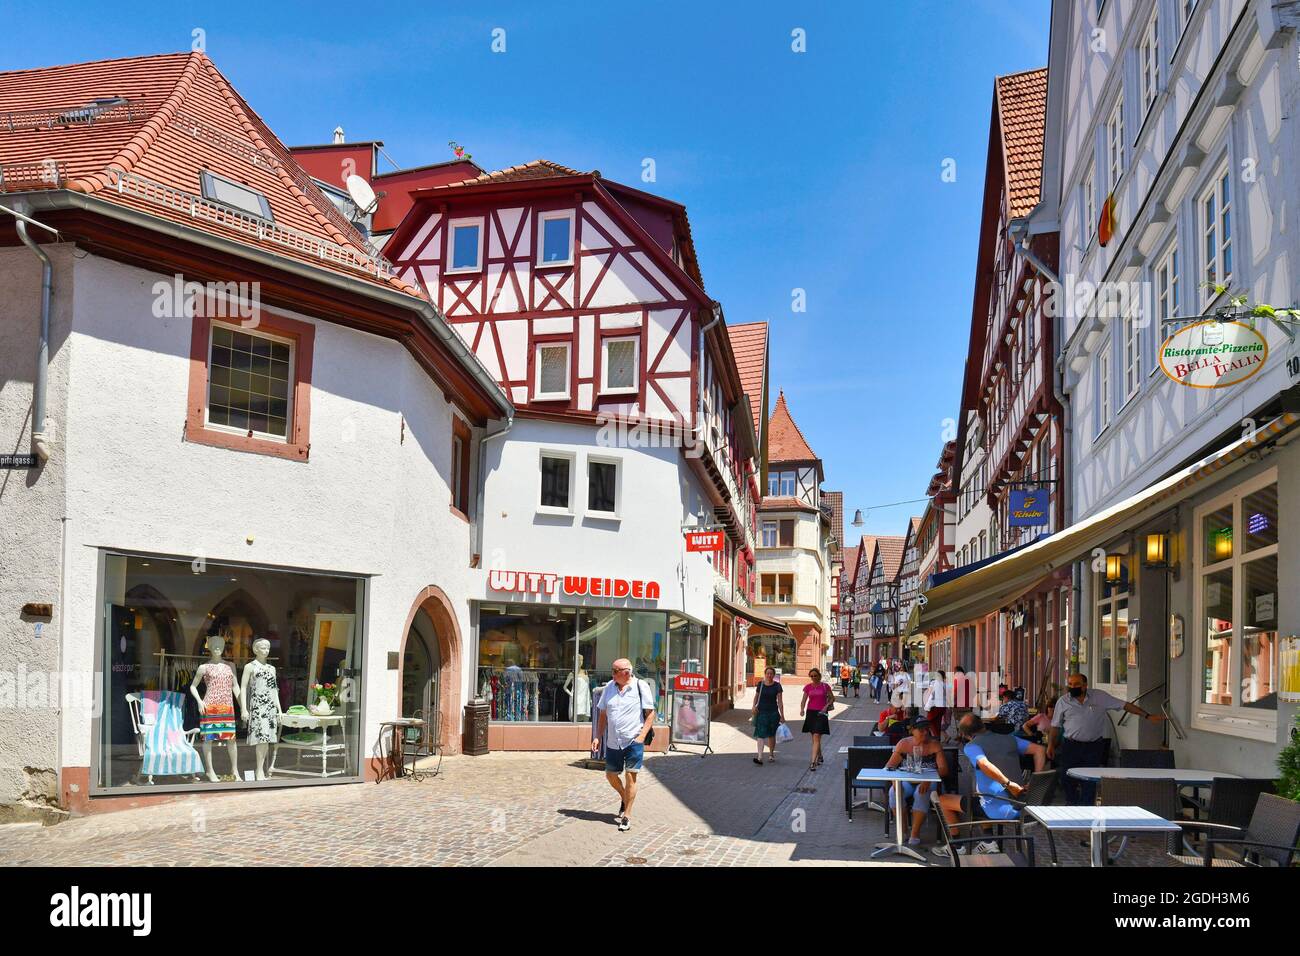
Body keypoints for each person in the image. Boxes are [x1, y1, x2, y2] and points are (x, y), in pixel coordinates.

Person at [930, 713, 1046, 859]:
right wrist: (1034, 782)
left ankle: (957, 846)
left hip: (1000, 808)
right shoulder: (1009, 739)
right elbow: (1040, 750)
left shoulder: (972, 746)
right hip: (1022, 804)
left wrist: (1009, 784)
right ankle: (988, 841)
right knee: (978, 797)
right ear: (983, 726)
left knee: (943, 800)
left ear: (965, 735)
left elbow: (984, 764)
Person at [1048, 672, 1167, 805]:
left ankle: (1085, 809)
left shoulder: (1099, 697)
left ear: (1085, 686)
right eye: (1070, 684)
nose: (1072, 687)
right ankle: (1072, 803)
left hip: (1093, 747)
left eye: (1076, 684)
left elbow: (1124, 705)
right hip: (1071, 746)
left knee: (1090, 781)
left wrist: (1147, 716)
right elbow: (1055, 725)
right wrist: (1051, 745)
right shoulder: (1063, 701)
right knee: (1067, 778)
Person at [591, 657, 656, 832]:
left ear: (626, 673)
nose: (612, 674)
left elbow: (650, 714)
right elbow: (603, 715)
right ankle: (624, 796)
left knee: (630, 777)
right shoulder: (609, 688)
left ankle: (627, 816)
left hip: (633, 740)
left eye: (615, 671)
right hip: (613, 741)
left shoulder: (640, 687)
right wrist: (597, 736)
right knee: (610, 775)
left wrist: (641, 737)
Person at [885, 716, 950, 846]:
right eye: (921, 730)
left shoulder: (934, 745)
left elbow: (944, 770)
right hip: (908, 780)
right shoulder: (904, 744)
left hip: (928, 781)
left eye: (926, 729)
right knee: (894, 792)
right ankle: (902, 831)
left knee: (921, 793)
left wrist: (928, 779)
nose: (925, 732)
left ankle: (914, 834)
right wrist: (894, 781)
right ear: (912, 730)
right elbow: (889, 766)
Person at [800, 668, 834, 771]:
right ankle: (820, 756)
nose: (814, 677)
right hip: (811, 713)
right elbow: (804, 700)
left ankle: (813, 762)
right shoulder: (808, 687)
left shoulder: (825, 686)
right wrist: (802, 709)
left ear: (819, 676)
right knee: (815, 737)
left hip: (822, 713)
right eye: (812, 676)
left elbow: (832, 698)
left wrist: (826, 706)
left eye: (815, 675)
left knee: (816, 735)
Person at [751, 666, 785, 764]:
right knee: (760, 734)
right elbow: (756, 697)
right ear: (765, 674)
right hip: (761, 712)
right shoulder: (760, 684)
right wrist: (753, 706)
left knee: (771, 734)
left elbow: (780, 702)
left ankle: (771, 754)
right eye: (767, 673)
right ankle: (760, 757)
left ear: (774, 675)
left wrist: (782, 715)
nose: (769, 675)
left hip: (773, 713)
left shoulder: (777, 686)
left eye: (771, 673)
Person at [924, 669, 949, 740]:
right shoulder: (945, 685)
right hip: (942, 707)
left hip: (934, 707)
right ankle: (937, 738)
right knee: (937, 723)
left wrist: (927, 705)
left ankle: (935, 737)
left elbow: (930, 694)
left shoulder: (934, 683)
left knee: (929, 722)